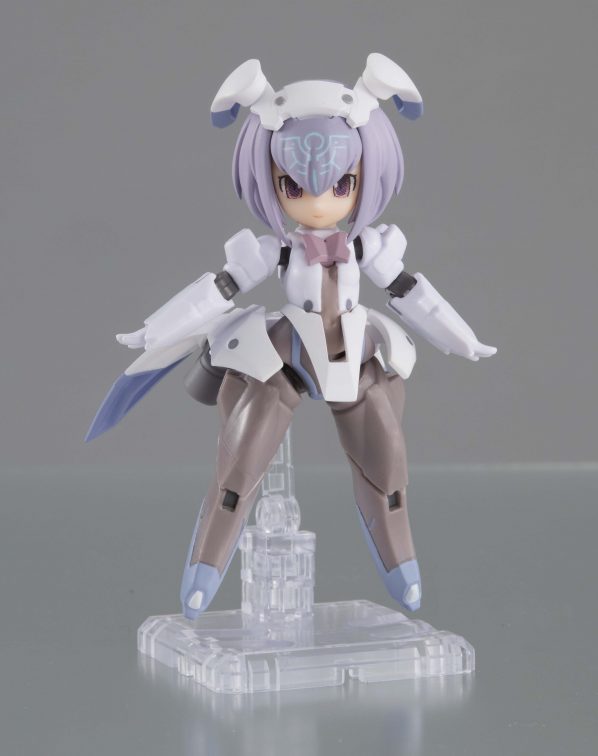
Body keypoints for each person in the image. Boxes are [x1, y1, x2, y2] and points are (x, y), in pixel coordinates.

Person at [87, 54, 496, 620]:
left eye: (342, 183)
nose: (319, 202)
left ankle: (402, 565)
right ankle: (205, 569)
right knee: (241, 461)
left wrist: (462, 338)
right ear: (270, 181)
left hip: (354, 356)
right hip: (284, 358)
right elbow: (218, 290)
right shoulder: (270, 251)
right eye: (294, 185)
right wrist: (155, 330)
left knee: (387, 464)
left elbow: (408, 291)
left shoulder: (369, 248)